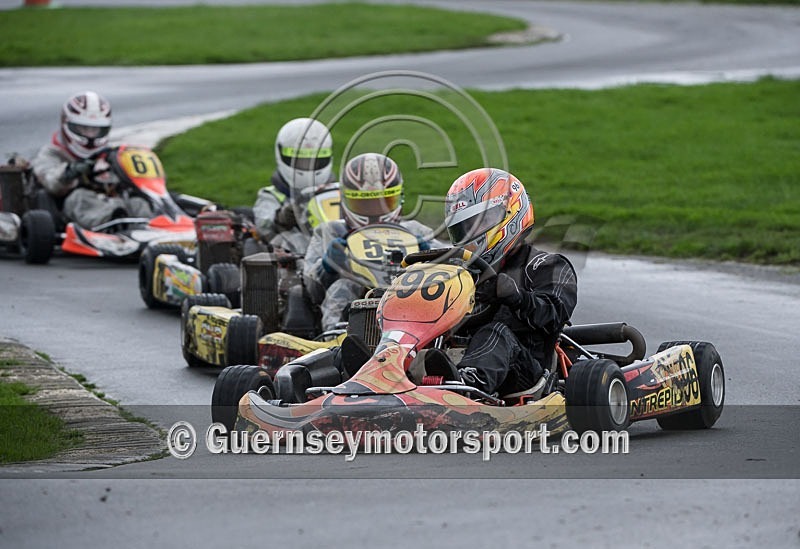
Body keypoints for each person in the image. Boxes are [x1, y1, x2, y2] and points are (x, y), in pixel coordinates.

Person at [435, 167, 578, 397]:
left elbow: (553, 315)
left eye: (476, 225)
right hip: (457, 358)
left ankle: (467, 387)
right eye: (462, 229)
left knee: (496, 332)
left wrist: (516, 297)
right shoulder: (459, 272)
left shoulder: (546, 266)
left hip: (525, 370)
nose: (469, 236)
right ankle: (374, 377)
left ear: (509, 214)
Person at [304, 152, 436, 331]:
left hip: (410, 295)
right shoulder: (330, 232)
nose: (375, 212)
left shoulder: (416, 231)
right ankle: (336, 339)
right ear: (344, 201)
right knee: (342, 287)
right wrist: (326, 268)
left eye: (384, 202)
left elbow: (457, 268)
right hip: (357, 302)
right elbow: (310, 290)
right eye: (365, 204)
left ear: (399, 197)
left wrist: (433, 257)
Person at [31, 91, 152, 229]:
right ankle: (113, 225)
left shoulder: (110, 154)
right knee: (80, 197)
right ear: (67, 125)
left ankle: (151, 228)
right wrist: (71, 171)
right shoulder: (51, 153)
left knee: (137, 201)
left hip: (113, 202)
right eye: (84, 128)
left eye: (96, 130)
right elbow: (51, 181)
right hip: (73, 212)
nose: (90, 135)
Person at [252, 117, 335, 255]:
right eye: (301, 160)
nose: (307, 167)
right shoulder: (271, 195)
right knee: (296, 240)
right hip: (294, 261)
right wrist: (284, 216)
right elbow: (264, 225)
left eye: (314, 160)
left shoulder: (338, 194)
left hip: (336, 250)